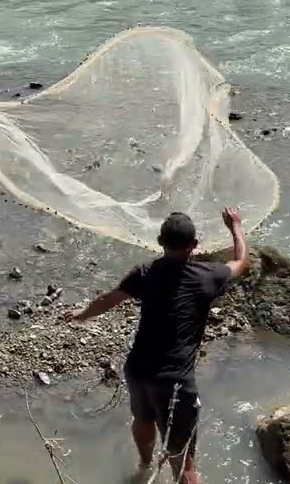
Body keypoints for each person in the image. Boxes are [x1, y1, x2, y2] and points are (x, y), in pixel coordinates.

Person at [66, 207, 249, 484]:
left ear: (160, 242)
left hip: (138, 370)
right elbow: (241, 262)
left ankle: (143, 467)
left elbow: (108, 299)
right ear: (195, 245)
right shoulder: (207, 276)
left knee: (142, 418)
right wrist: (235, 226)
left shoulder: (145, 273)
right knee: (184, 458)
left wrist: (81, 315)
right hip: (174, 381)